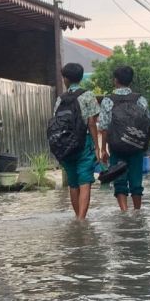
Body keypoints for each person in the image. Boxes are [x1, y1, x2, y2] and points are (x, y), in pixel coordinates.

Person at [98, 65, 150, 212]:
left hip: (116, 146)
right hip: (136, 146)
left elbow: (103, 127)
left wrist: (103, 149)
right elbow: (148, 123)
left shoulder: (108, 100)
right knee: (136, 180)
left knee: (119, 180)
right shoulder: (140, 99)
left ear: (115, 80)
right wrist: (144, 145)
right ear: (131, 81)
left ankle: (124, 212)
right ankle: (137, 212)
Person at [52, 63, 102, 220]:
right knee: (85, 180)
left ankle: (78, 218)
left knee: (73, 183)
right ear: (80, 78)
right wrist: (96, 146)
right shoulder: (88, 96)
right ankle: (81, 221)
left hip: (65, 144)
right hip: (84, 142)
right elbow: (92, 123)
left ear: (65, 79)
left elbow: (56, 123)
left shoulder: (60, 100)